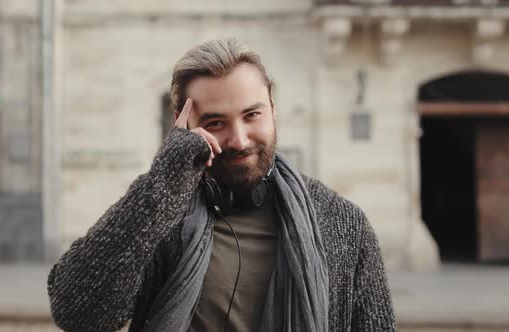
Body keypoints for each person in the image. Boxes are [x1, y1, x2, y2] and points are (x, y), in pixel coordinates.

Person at [48, 38, 396, 332]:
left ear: (273, 110)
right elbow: (77, 313)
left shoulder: (342, 223)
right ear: (183, 126)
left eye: (252, 115)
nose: (239, 139)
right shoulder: (159, 215)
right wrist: (163, 183)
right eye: (216, 122)